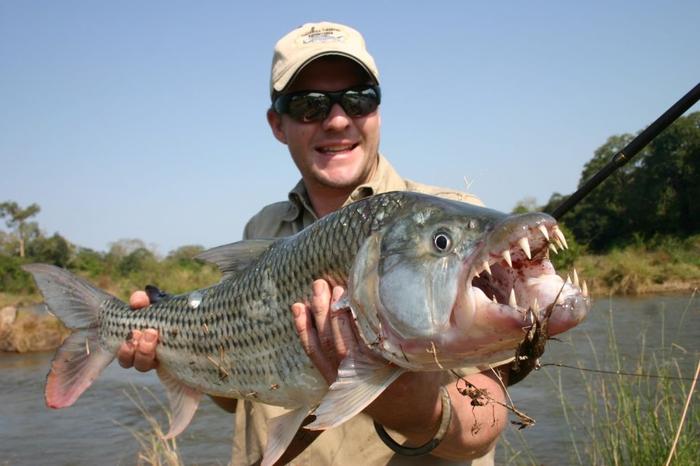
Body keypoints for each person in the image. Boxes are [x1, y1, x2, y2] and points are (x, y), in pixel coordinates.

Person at [119, 21, 510, 466]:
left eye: (358, 98)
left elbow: (487, 422)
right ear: (278, 124)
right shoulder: (262, 226)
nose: (338, 119)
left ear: (378, 108)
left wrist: (412, 406)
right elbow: (238, 395)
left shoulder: (454, 221)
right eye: (309, 106)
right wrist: (177, 353)